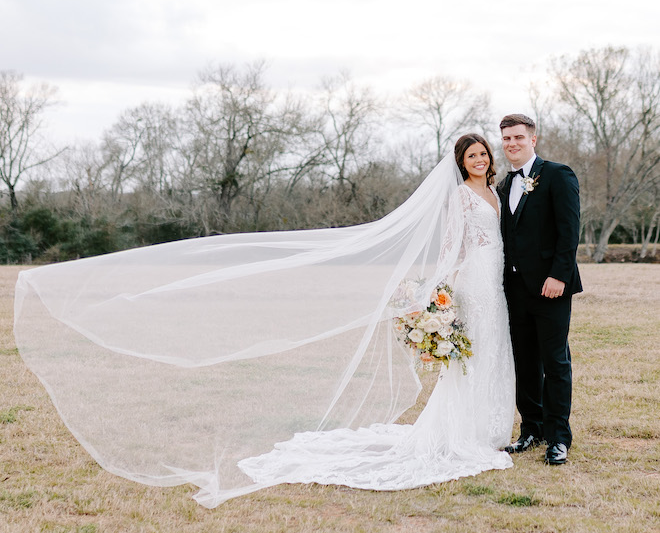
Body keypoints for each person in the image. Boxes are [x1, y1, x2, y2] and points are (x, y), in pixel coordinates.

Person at [14, 134, 514, 508]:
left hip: (495, 284)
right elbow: (452, 245)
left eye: (483, 154)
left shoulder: (497, 189)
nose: (480, 160)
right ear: (459, 162)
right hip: (470, 282)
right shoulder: (457, 196)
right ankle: (461, 434)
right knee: (471, 360)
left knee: (495, 353)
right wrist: (436, 291)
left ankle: (489, 427)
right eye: (472, 156)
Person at [496, 114, 582, 465]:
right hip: (514, 288)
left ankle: (558, 436)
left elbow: (569, 228)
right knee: (524, 361)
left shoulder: (558, 175)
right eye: (506, 139)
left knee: (555, 360)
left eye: (518, 137)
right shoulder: (503, 185)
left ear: (534, 139)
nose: (511, 144)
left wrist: (559, 275)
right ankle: (531, 428)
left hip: (551, 287)